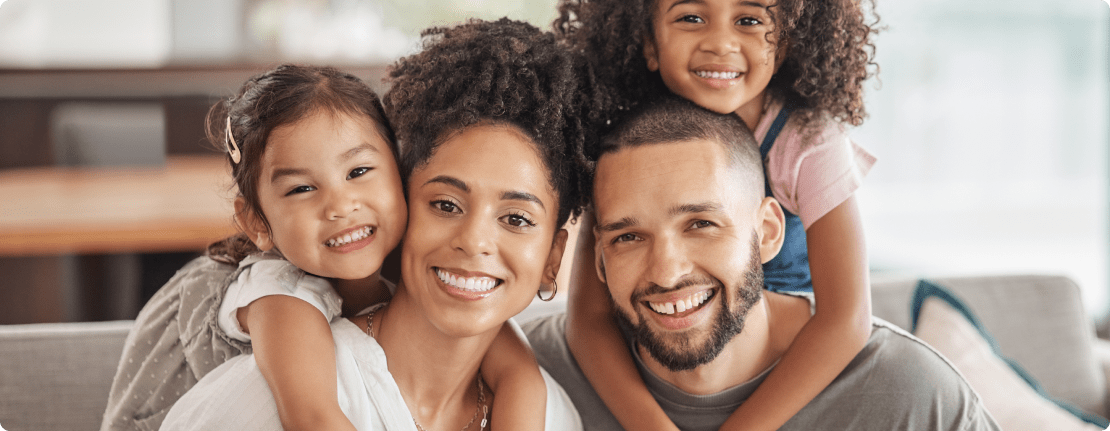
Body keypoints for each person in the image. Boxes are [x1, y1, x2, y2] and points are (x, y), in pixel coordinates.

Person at [159, 18, 595, 430]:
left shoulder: (549, 414)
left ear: (552, 258)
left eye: (517, 218)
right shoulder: (269, 389)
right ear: (405, 203)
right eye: (445, 204)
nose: (474, 241)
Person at [524, 97, 1001, 430]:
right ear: (599, 259)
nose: (667, 272)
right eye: (628, 237)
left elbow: (846, 318)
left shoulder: (908, 396)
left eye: (701, 224)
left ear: (768, 231)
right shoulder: (527, 374)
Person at [551, 0, 880, 429]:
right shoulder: (625, 149)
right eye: (691, 17)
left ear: (785, 43)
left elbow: (847, 319)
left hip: (782, 364)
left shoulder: (809, 142)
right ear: (648, 42)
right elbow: (588, 319)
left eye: (749, 20)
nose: (721, 43)